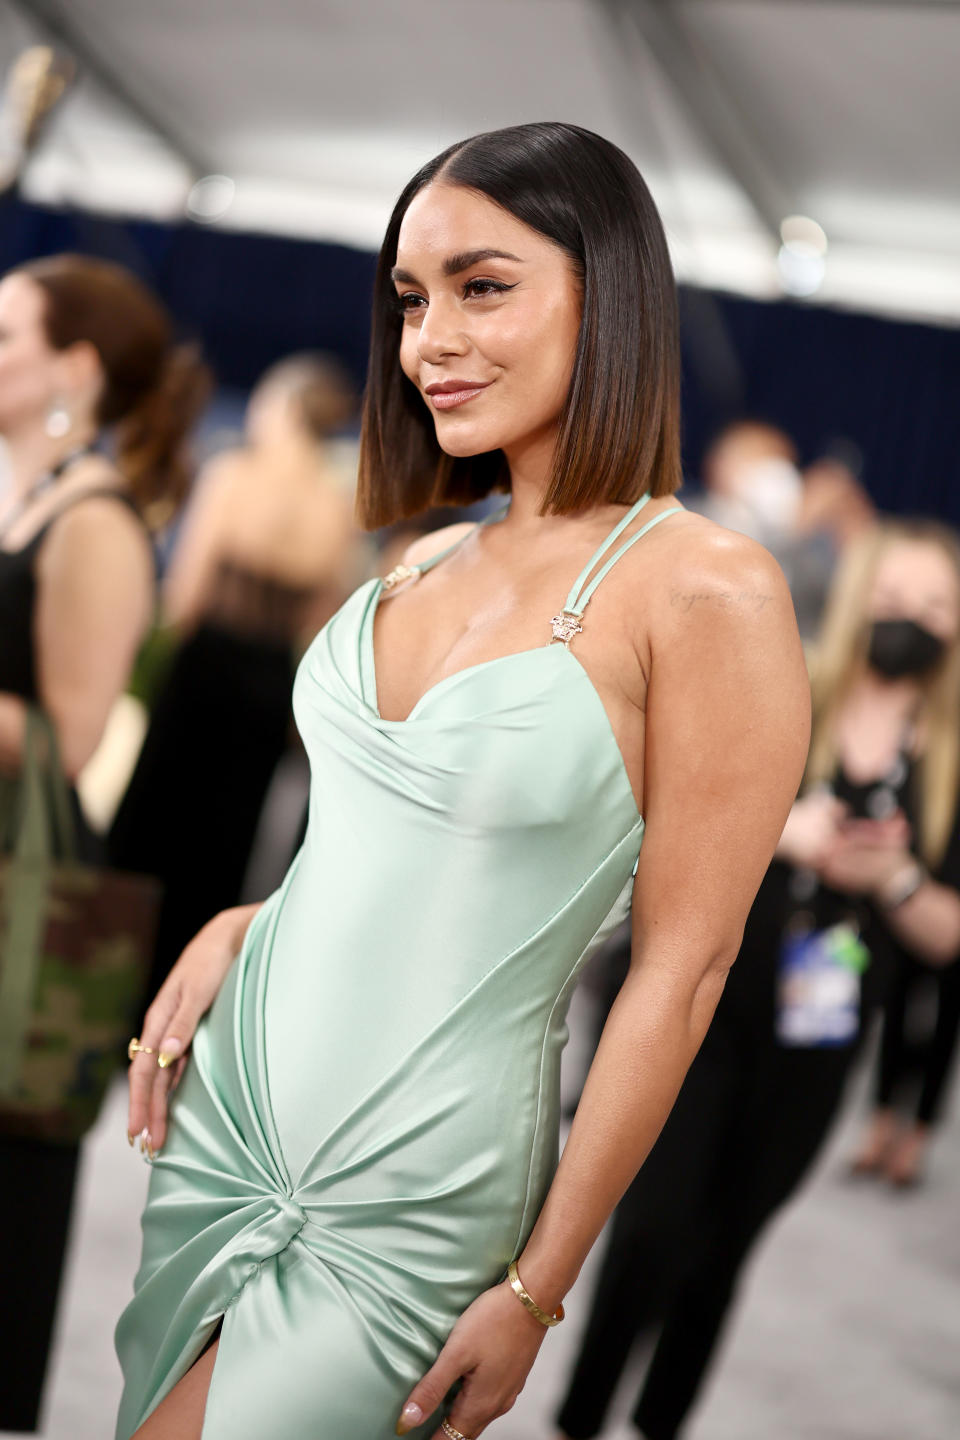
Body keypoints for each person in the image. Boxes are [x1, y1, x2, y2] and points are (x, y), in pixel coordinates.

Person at [114, 122, 809, 1440]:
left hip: (415, 1184)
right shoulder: (425, 561)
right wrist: (248, 920)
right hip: (233, 1126)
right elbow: (401, 858)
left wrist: (540, 1290)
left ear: (606, 294)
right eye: (412, 300)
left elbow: (681, 970)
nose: (431, 339)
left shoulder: (710, 588)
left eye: (483, 287)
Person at [554, 516, 960, 1440]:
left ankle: (662, 1423)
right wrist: (785, 830)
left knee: (723, 1249)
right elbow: (662, 801)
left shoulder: (947, 763)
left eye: (936, 607)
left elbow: (947, 934)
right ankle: (578, 1418)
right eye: (896, 599)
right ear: (860, 597)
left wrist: (891, 877)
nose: (912, 621)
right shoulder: (786, 691)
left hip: (819, 1039)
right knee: (651, 1227)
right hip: (702, 1005)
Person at [0, 252, 209, 1432]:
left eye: (6, 336)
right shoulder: (28, 497)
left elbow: (70, 739)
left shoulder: (96, 521)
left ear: (74, 368)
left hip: (27, 892)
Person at [108, 352, 362, 1001]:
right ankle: (176, 997)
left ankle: (104, 982)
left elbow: (186, 593)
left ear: (279, 409)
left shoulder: (231, 474)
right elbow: (321, 618)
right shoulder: (337, 504)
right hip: (269, 687)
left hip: (203, 672)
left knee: (152, 829)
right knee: (225, 843)